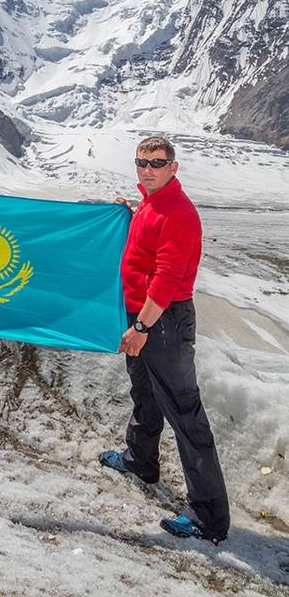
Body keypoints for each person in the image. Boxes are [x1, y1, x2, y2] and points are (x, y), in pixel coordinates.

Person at [99, 135, 230, 544]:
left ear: (174, 167)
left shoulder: (178, 212)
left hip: (164, 321)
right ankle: (141, 461)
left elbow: (168, 279)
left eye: (157, 162)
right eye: (142, 162)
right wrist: (130, 211)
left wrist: (141, 329)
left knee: (185, 413)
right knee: (145, 393)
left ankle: (209, 517)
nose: (148, 168)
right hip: (144, 316)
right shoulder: (151, 204)